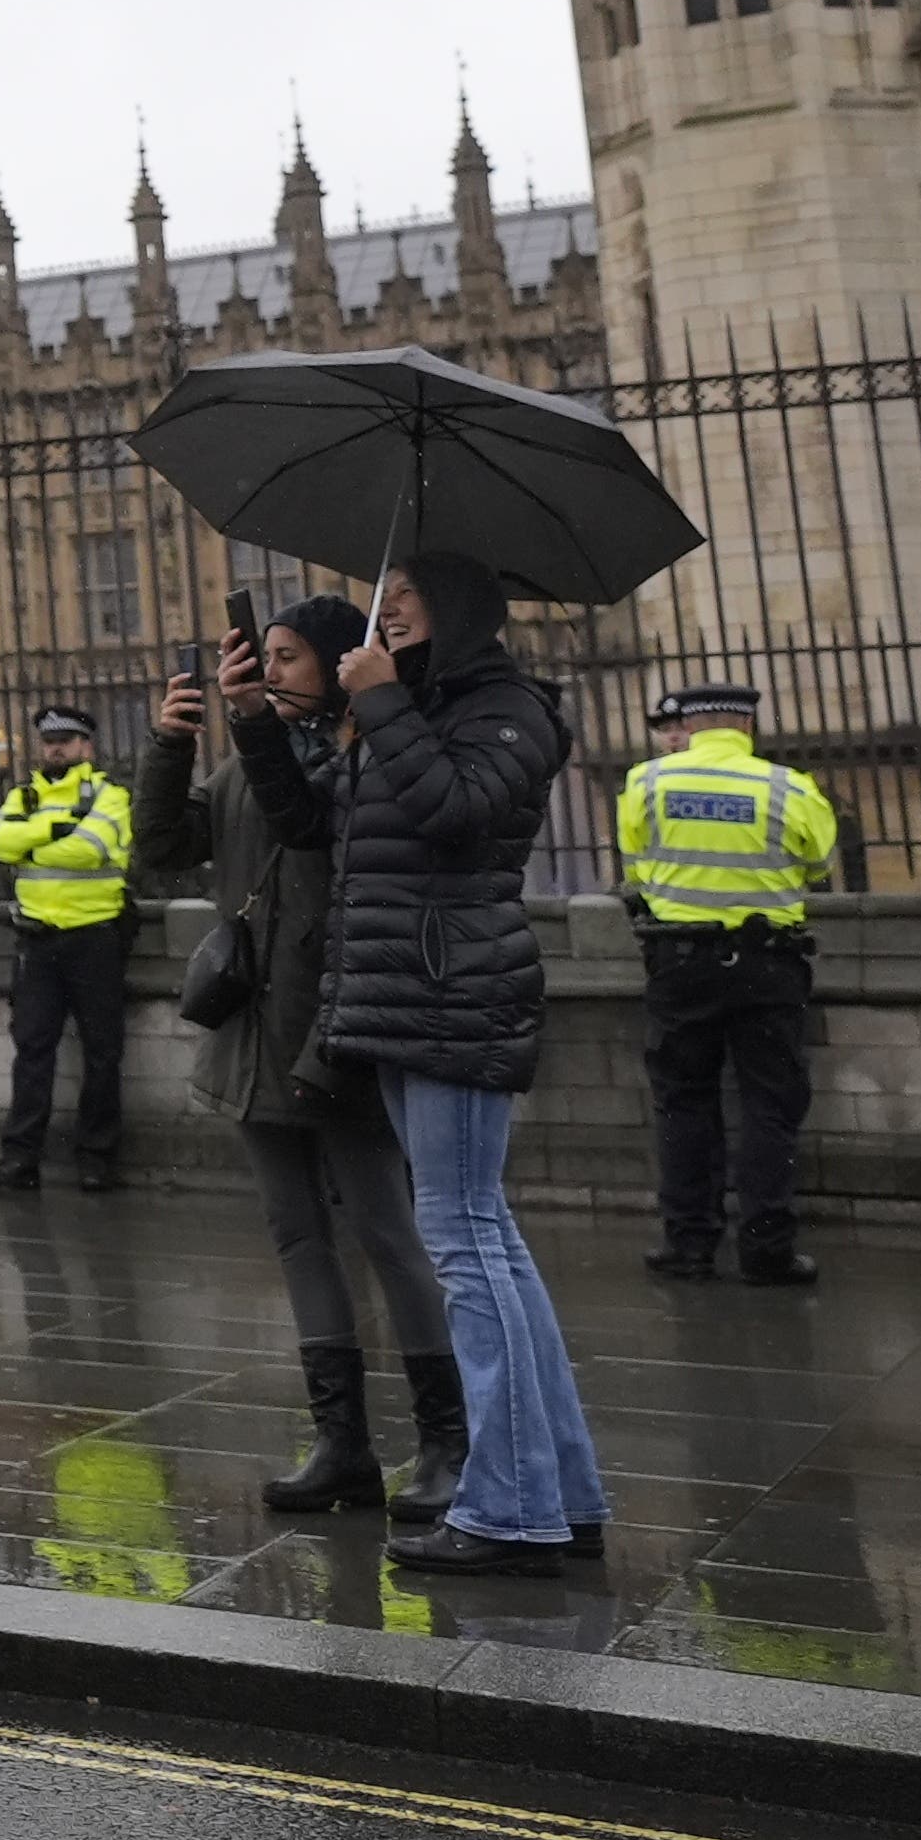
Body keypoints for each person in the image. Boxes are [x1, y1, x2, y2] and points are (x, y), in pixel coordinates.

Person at [316, 552, 603, 1576]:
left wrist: (386, 706)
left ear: (466, 610)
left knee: (467, 1241)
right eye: (383, 598)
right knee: (486, 1240)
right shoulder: (423, 704)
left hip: (455, 992)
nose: (385, 609)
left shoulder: (511, 708)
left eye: (407, 596)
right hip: (406, 994)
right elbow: (334, 824)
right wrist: (278, 718)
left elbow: (458, 815)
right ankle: (561, 1492)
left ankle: (512, 1509)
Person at [157, 596, 457, 1517]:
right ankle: (342, 1443)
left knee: (386, 1234)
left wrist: (331, 1051)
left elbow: (320, 843)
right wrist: (170, 747)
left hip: (336, 1041)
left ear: (335, 668)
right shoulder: (248, 766)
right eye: (263, 658)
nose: (270, 672)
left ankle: (449, 1442)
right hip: (254, 1039)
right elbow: (165, 848)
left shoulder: (357, 762)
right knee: (297, 1237)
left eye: (288, 659)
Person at [619, 682, 837, 1287]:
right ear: (746, 726)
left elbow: (636, 867)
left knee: (684, 1102)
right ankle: (768, 1250)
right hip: (769, 963)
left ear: (691, 725)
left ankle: (688, 1244)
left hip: (678, 961)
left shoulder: (647, 782)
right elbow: (818, 863)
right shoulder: (788, 787)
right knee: (771, 1105)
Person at [0, 705, 136, 1193]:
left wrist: (30, 842)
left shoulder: (111, 795)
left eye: (67, 740)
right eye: (50, 741)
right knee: (32, 1051)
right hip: (37, 940)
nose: (57, 749)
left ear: (87, 746)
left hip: (96, 938)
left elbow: (93, 848)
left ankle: (97, 1158)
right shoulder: (22, 796)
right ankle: (20, 1159)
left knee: (102, 1052)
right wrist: (56, 830)